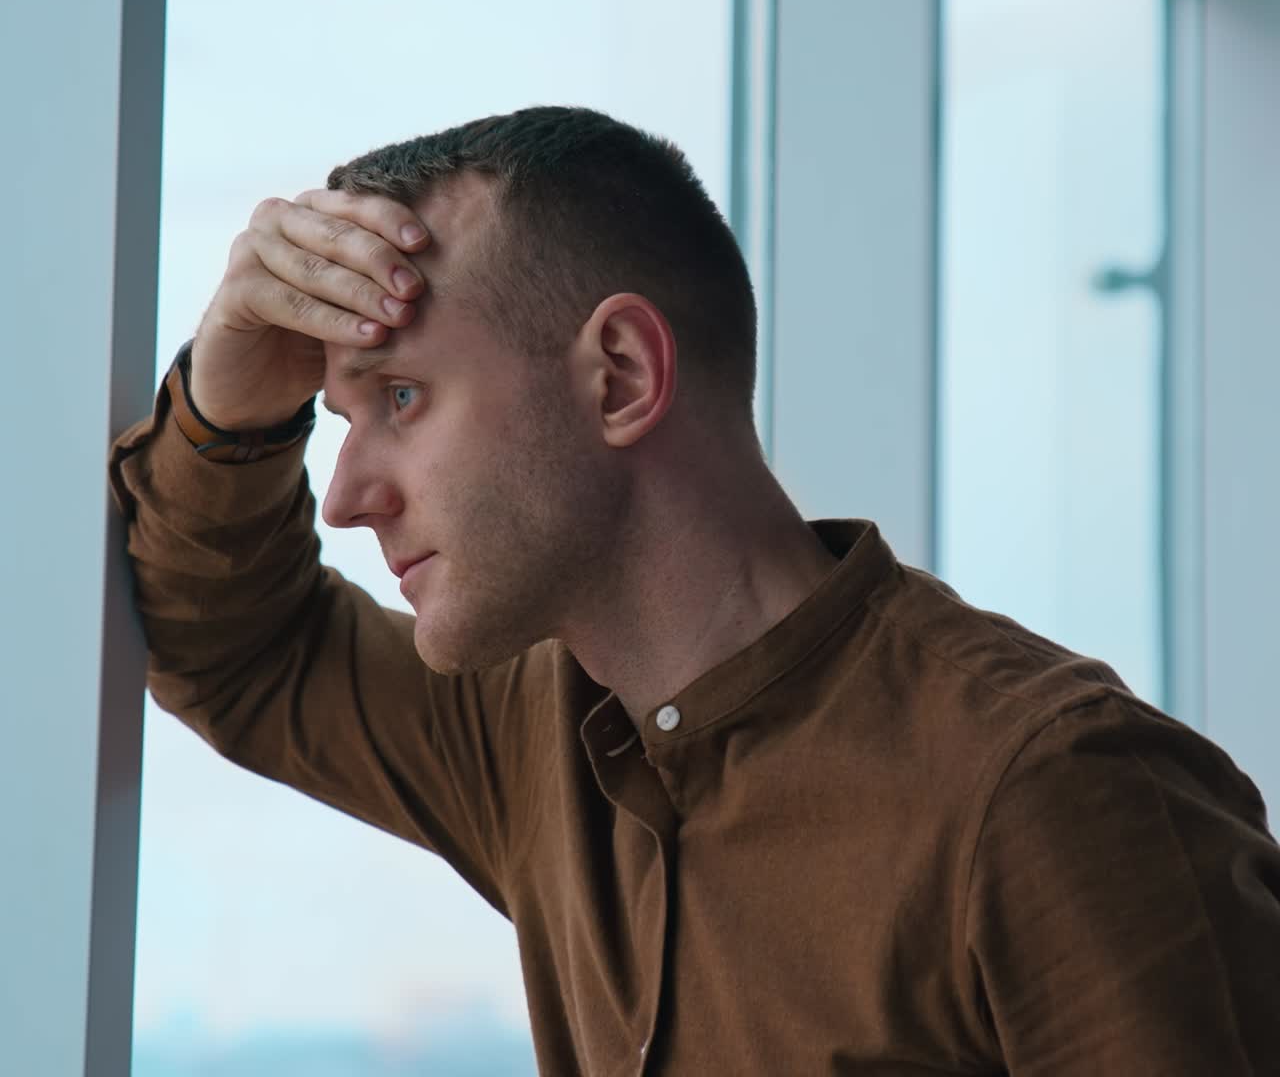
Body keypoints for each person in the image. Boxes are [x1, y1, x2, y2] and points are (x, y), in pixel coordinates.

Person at [109, 105, 1280, 1075]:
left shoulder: (1055, 798)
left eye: (401, 398)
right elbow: (233, 646)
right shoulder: (530, 727)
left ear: (619, 374)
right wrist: (226, 399)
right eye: (339, 419)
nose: (348, 493)